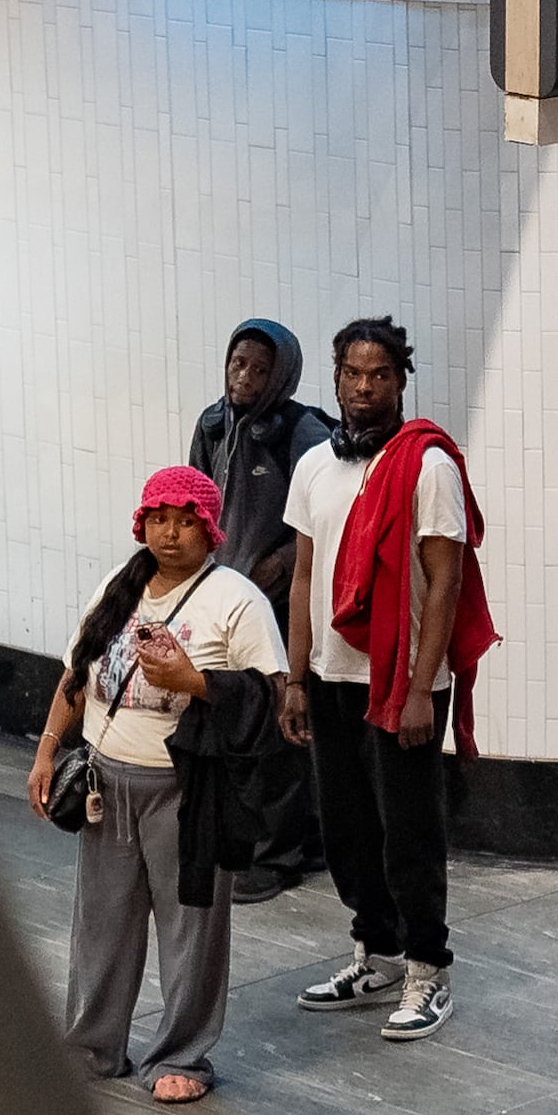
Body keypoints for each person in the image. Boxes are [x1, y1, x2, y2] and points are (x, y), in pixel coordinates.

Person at [29, 467, 291, 1102]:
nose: (170, 534)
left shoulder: (235, 598)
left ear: (210, 531)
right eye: (158, 519)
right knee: (101, 924)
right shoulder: (120, 589)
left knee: (190, 926)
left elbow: (271, 697)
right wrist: (46, 750)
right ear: (141, 524)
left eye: (185, 521)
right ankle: (92, 1048)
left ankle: (183, 1056)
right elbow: (77, 673)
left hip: (189, 791)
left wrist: (192, 681)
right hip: (107, 781)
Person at [280, 317, 495, 1045]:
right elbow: (303, 575)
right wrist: (294, 676)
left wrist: (417, 688)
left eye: (380, 375)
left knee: (409, 833)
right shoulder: (314, 465)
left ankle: (429, 969)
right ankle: (375, 953)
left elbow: (444, 582)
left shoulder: (426, 467)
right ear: (335, 378)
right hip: (331, 676)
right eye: (352, 374)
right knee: (344, 828)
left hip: (399, 683)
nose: (364, 387)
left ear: (401, 381)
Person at [188, 319, 334, 902]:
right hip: (225, 595)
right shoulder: (212, 424)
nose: (244, 377)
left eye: (259, 368)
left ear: (283, 375)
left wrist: (279, 562)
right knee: (238, 719)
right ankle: (291, 840)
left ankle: (278, 859)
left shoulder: (299, 431)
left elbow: (324, 515)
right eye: (237, 363)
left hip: (278, 602)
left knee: (280, 721)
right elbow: (195, 501)